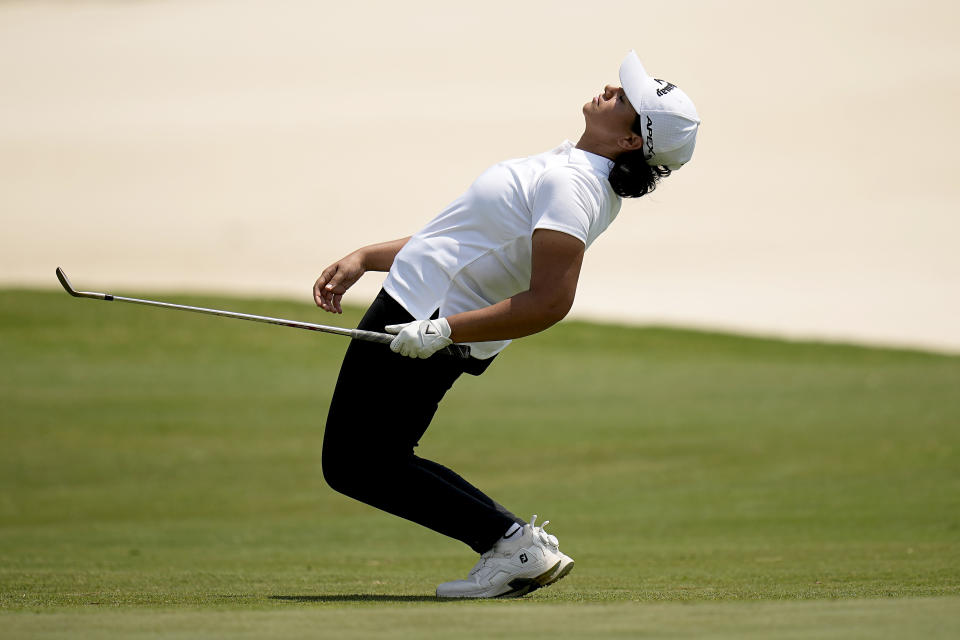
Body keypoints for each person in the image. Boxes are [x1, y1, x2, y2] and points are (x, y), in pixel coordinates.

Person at [312, 50, 700, 599]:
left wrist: (444, 332)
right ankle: (512, 543)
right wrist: (367, 256)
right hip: (422, 309)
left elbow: (550, 302)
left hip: (427, 320)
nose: (610, 90)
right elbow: (466, 239)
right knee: (370, 461)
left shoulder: (574, 185)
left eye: (625, 98)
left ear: (632, 140)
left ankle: (512, 544)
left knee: (358, 464)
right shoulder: (573, 167)